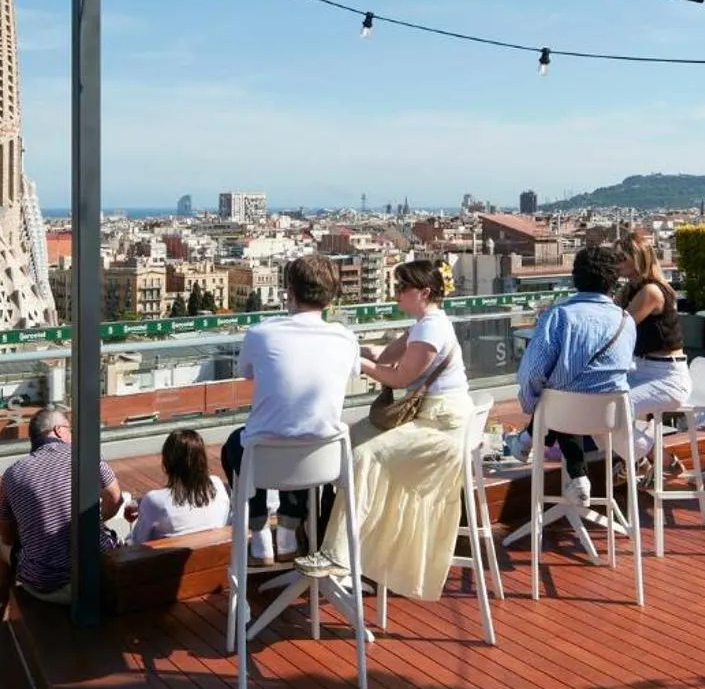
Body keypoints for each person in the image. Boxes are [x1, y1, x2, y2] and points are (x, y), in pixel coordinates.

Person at [294, 259, 473, 599]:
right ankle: (337, 533)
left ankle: (338, 555)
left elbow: (398, 377)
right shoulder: (425, 323)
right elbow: (387, 356)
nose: (396, 295)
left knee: (362, 457)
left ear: (423, 292)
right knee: (350, 439)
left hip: (440, 426)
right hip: (435, 417)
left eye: (402, 288)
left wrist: (357, 363)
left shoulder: (429, 329)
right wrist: (348, 348)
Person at [221, 254, 361, 564]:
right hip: (325, 459)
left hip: (264, 457)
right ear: (332, 294)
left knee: (236, 442)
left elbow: (247, 372)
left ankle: (259, 538)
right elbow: (351, 371)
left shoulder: (261, 333)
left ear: (290, 291)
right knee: (302, 436)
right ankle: (287, 532)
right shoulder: (346, 338)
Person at [515, 244, 636, 505]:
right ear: (613, 281)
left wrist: (530, 404)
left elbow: (532, 373)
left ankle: (528, 439)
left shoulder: (558, 316)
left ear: (576, 278)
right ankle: (573, 473)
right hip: (610, 419)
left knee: (557, 390)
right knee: (569, 389)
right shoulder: (626, 320)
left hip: (562, 415)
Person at [0, 406, 127, 616]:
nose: (71, 435)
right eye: (69, 430)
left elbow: (7, 536)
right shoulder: (84, 456)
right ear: (59, 430)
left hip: (45, 584)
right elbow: (115, 498)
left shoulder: (13, 474)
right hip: (97, 576)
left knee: (1, 551)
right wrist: (97, 519)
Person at [619, 229, 691, 462]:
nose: (616, 262)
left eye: (621, 258)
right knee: (597, 401)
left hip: (666, 377)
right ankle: (639, 460)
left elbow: (618, 327)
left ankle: (659, 459)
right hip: (644, 370)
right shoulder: (631, 289)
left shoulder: (650, 291)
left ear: (637, 258)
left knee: (611, 408)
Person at [126, 429, 230, 544]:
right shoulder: (217, 485)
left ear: (167, 463)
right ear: (202, 460)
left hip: (171, 562)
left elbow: (137, 542)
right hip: (217, 559)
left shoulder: (154, 500)